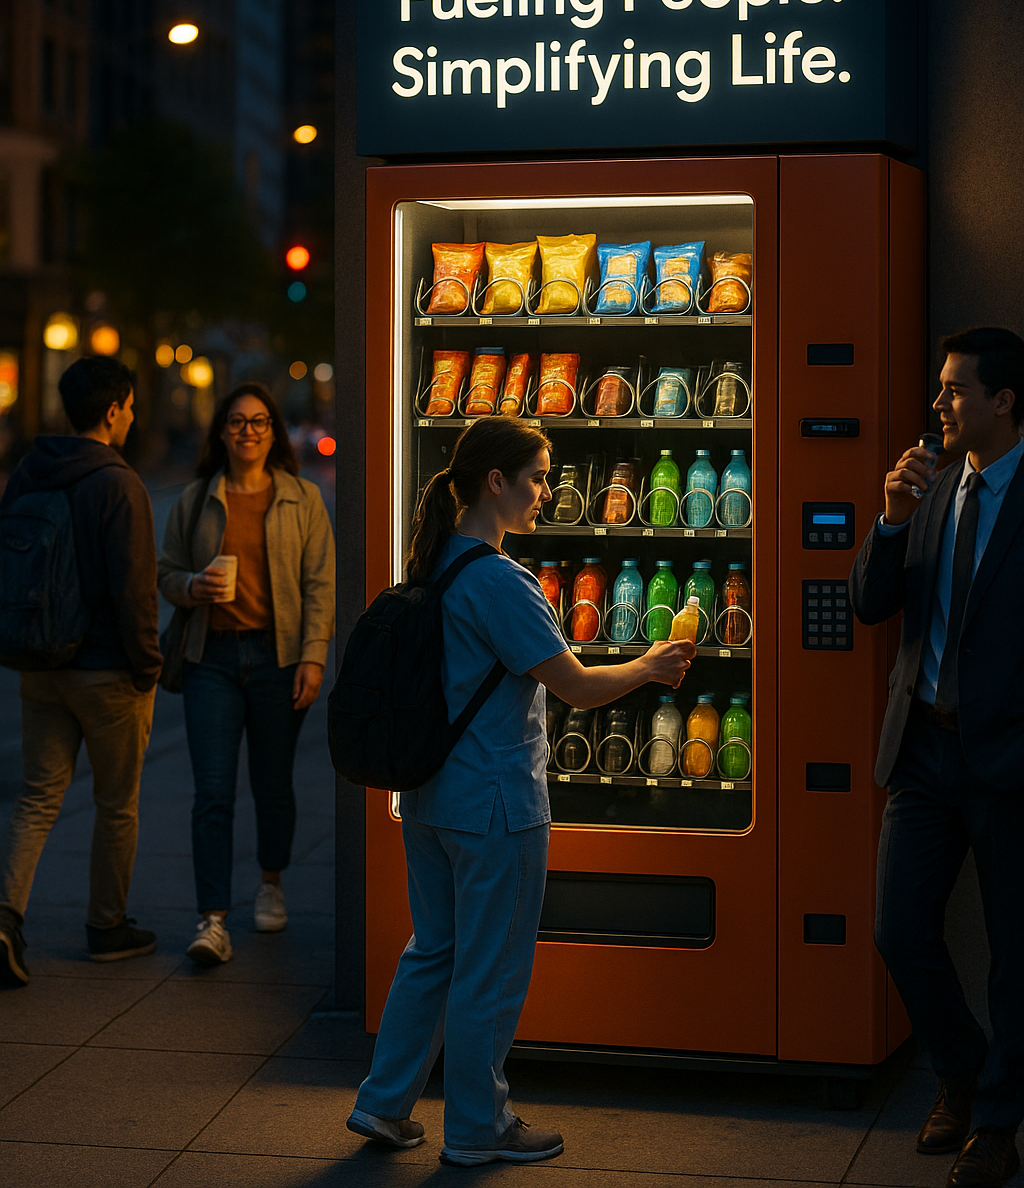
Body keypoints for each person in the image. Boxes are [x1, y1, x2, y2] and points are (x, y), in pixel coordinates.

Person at [346, 415, 692, 1166]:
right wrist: (651, 667)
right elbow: (572, 685)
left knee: (433, 950)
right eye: (536, 477)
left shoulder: (431, 561)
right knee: (491, 969)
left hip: (430, 796)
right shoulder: (501, 580)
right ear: (494, 482)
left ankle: (382, 1103)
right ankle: (478, 1127)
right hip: (495, 802)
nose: (545, 491)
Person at [850, 327, 1024, 1188]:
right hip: (922, 750)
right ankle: (963, 1074)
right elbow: (868, 604)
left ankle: (993, 1125)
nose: (938, 403)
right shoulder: (928, 484)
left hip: (1011, 763)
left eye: (956, 390)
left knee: (1015, 951)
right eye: (941, 388)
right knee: (898, 931)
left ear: (1005, 401)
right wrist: (890, 519)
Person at [158, 382, 335, 966]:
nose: (248, 431)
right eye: (237, 422)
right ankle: (212, 919)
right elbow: (166, 572)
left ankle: (270, 882)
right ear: (222, 433)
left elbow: (319, 585)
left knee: (273, 783)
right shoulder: (197, 499)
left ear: (274, 432)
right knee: (211, 791)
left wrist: (313, 656)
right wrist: (191, 587)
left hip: (278, 658)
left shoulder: (302, 497)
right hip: (211, 657)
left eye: (260, 422)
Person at [0, 356, 162, 985]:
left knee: (36, 799)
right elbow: (135, 592)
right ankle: (106, 925)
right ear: (115, 408)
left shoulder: (28, 473)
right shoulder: (117, 483)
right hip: (106, 673)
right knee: (117, 802)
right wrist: (147, 666)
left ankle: (7, 920)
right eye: (130, 405)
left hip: (39, 663)